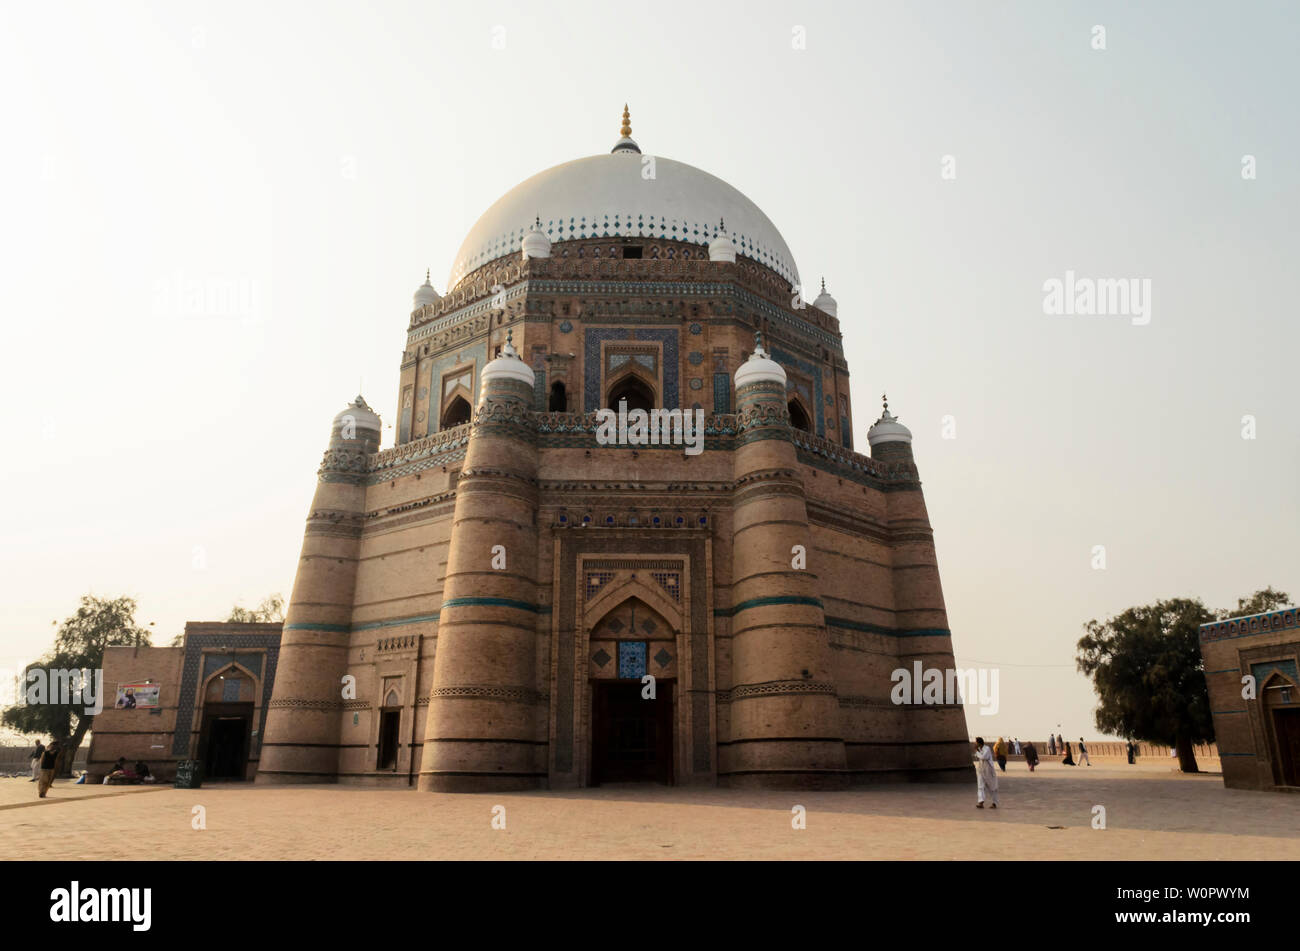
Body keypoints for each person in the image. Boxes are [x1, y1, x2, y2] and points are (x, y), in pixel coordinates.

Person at [973, 737, 999, 808]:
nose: (975, 744)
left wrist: (977, 751)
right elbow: (977, 756)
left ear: (979, 743)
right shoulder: (979, 749)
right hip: (981, 770)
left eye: (976, 742)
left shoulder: (987, 749)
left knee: (992, 787)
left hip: (988, 770)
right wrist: (977, 751)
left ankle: (994, 802)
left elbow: (983, 757)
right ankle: (981, 802)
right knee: (980, 786)